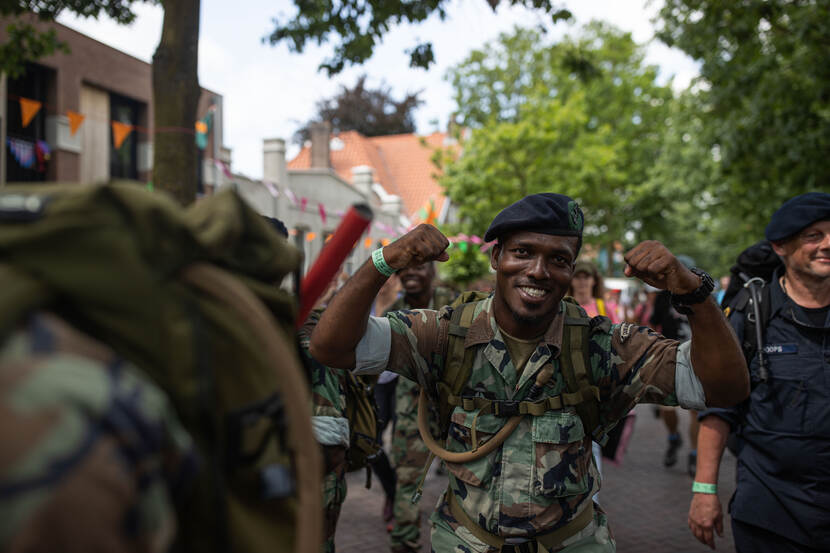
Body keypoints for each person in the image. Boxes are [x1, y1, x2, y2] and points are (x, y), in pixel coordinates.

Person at [311, 193, 749, 552]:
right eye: (522, 253)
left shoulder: (603, 346)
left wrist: (693, 292)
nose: (538, 271)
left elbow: (724, 388)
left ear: (571, 270)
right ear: (496, 257)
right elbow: (331, 347)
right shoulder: (444, 334)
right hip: (466, 541)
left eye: (557, 259)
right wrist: (383, 262)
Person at [688, 192, 830, 553]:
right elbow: (719, 409)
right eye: (814, 236)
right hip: (770, 512)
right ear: (781, 246)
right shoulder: (751, 316)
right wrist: (705, 491)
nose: (828, 245)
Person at [383, 262, 457, 553]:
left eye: (419, 267)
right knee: (407, 478)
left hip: (455, 408)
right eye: (405, 269)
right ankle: (404, 541)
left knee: (469, 479)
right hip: (412, 409)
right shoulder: (394, 310)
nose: (411, 272)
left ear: (433, 273)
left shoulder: (454, 305)